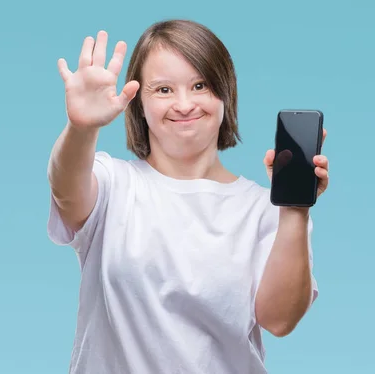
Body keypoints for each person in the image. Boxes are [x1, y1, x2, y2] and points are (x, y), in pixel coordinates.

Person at [46, 19, 329, 374]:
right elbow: (66, 188)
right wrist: (81, 128)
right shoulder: (113, 183)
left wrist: (294, 212)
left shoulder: (262, 208)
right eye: (163, 90)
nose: (183, 104)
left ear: (225, 92)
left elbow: (279, 320)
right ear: (140, 103)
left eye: (200, 85)